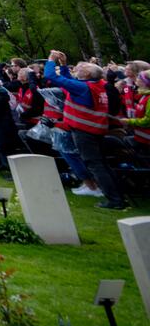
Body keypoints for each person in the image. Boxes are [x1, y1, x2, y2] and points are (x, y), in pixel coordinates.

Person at [44, 52, 128, 210]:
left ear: (88, 74)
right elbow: (69, 82)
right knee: (102, 164)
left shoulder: (83, 88)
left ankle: (115, 200)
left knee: (95, 165)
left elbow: (50, 76)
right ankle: (119, 196)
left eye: (82, 68)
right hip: (94, 130)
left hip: (84, 132)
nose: (78, 68)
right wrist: (63, 65)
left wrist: (51, 60)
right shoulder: (96, 85)